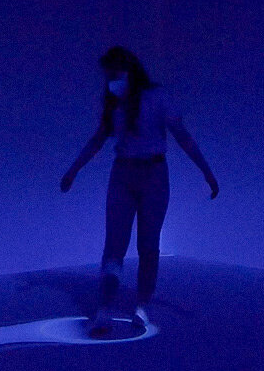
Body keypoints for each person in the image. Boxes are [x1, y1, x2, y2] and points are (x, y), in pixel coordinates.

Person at [61, 46, 218, 338]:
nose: (111, 80)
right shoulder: (114, 104)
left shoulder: (156, 97)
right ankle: (104, 308)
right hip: (123, 173)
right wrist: (73, 170)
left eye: (115, 73)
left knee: (148, 245)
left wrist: (206, 172)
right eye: (108, 75)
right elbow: (98, 140)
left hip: (154, 175)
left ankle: (142, 306)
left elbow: (182, 135)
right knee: (115, 244)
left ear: (129, 70)